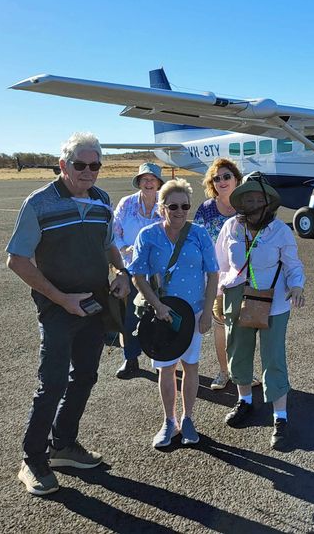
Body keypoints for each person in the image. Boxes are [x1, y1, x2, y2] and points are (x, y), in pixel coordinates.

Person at [7, 132, 130, 496]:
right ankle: (32, 459)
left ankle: (63, 445)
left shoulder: (101, 200)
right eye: (80, 165)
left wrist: (120, 273)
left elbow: (107, 243)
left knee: (86, 377)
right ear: (63, 165)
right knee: (52, 383)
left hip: (94, 307)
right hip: (58, 310)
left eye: (95, 165)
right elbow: (16, 259)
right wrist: (61, 299)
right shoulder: (39, 204)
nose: (88, 172)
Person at [215, 172, 305, 449]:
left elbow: (293, 264)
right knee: (238, 351)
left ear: (268, 203)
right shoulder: (231, 227)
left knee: (273, 357)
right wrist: (218, 295)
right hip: (236, 297)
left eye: (259, 198)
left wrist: (297, 286)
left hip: (274, 303)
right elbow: (221, 264)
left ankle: (281, 416)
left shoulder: (280, 231)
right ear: (241, 200)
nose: (254, 203)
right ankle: (244, 401)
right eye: (249, 198)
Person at [129, 178, 218, 448]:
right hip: (163, 314)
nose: (179, 211)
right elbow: (137, 276)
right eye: (173, 206)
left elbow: (213, 274)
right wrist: (157, 305)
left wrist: (207, 314)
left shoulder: (199, 233)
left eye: (185, 206)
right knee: (165, 370)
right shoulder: (148, 236)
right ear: (161, 208)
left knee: (191, 367)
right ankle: (169, 421)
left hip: (193, 312)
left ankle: (188, 418)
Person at [194, 158, 259, 391]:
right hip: (217, 279)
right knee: (221, 326)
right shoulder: (206, 209)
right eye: (217, 178)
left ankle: (243, 371)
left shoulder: (248, 206)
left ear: (236, 179)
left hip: (246, 278)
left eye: (226, 176)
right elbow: (197, 242)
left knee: (245, 327)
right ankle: (224, 372)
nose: (221, 181)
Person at [113, 162, 164, 379]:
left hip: (157, 270)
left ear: (159, 183)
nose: (149, 182)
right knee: (128, 316)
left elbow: (171, 232)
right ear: (139, 182)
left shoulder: (165, 204)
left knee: (160, 313)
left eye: (153, 179)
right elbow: (114, 232)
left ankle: (162, 358)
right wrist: (124, 249)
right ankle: (130, 358)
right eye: (144, 179)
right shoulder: (126, 204)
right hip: (130, 269)